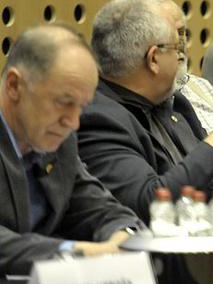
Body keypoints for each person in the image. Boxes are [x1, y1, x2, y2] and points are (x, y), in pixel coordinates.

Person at [78, 0, 213, 221]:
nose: (182, 54)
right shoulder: (98, 120)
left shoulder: (174, 102)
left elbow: (211, 187)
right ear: (154, 59)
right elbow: (149, 206)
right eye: (176, 47)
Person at [0, 25, 141, 276]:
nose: (73, 122)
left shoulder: (57, 140)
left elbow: (98, 208)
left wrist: (124, 236)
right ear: (14, 85)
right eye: (63, 103)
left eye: (81, 107)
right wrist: (76, 252)